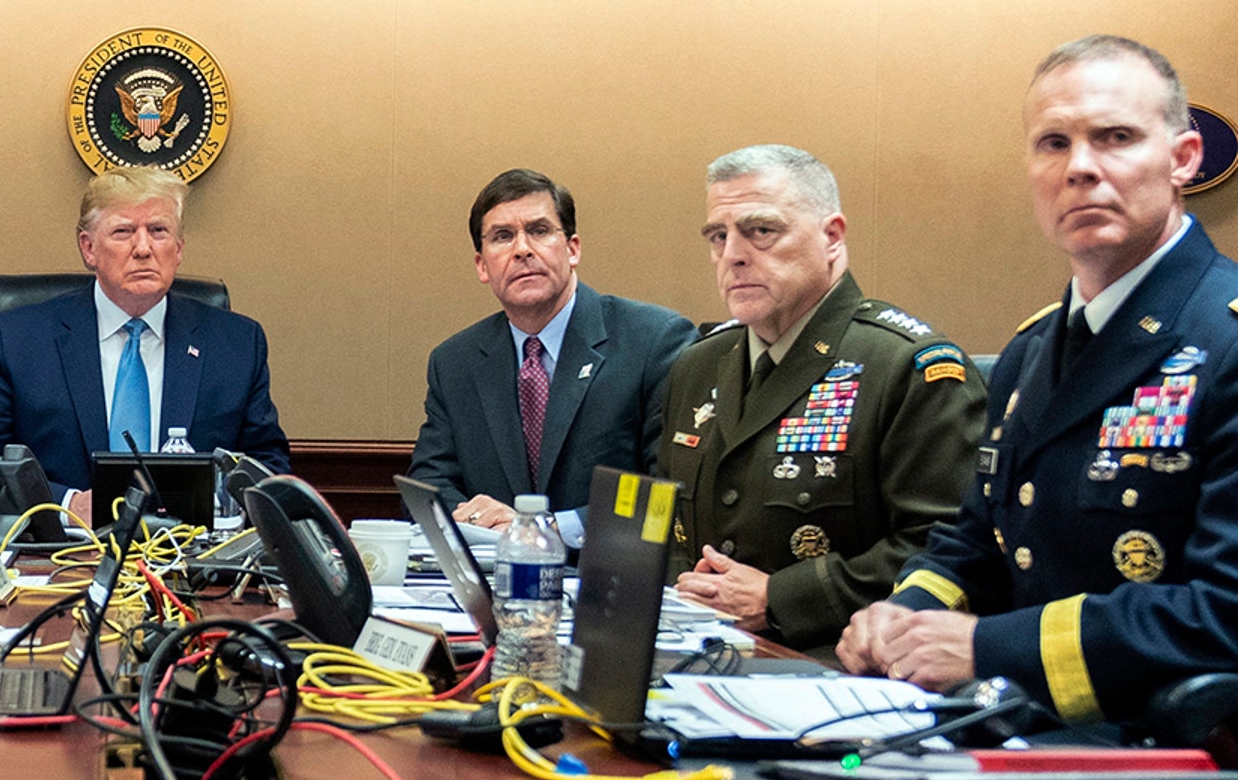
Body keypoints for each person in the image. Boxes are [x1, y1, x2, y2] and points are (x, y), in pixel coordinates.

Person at [840, 36, 1238, 721]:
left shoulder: (1225, 338)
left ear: (1183, 159)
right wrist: (901, 616)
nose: (1081, 168)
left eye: (1115, 137)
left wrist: (991, 649)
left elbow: (1224, 612)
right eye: (1054, 143)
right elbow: (976, 541)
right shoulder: (1031, 351)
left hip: (1165, 763)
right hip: (1010, 730)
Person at [660, 146, 986, 654]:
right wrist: (685, 587)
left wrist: (779, 597)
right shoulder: (698, 364)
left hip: (837, 662)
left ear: (832, 237)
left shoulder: (907, 366)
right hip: (695, 652)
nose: (733, 255)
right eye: (719, 237)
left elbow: (946, 547)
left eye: (761, 231)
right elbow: (664, 518)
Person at [0, 167, 290, 523]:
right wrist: (67, 505)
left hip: (190, 558)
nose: (144, 248)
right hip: (58, 558)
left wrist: (218, 502)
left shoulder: (236, 344)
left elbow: (265, 467)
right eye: (123, 232)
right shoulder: (18, 340)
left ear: (178, 249)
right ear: (89, 248)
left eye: (159, 231)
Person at [407, 169, 695, 544]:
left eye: (540, 231)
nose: (523, 249)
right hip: (493, 579)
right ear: (482, 265)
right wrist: (480, 524)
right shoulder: (455, 362)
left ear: (572, 249)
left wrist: (542, 530)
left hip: (606, 581)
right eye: (502, 237)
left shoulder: (653, 341)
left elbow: (670, 491)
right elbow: (430, 483)